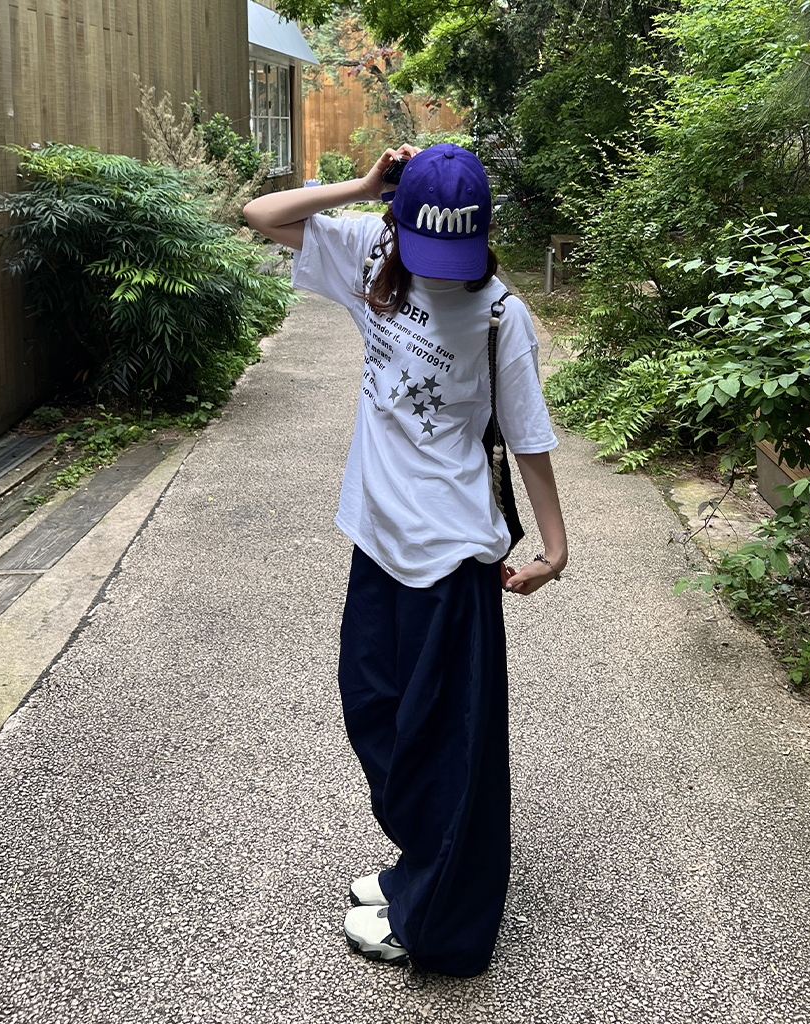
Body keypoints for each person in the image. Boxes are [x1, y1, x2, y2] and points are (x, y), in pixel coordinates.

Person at [243, 143, 568, 978]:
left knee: (448, 753)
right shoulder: (373, 255)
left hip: (452, 560)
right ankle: (417, 869)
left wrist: (556, 548)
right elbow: (260, 215)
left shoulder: (500, 315)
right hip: (377, 542)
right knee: (377, 715)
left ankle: (439, 929)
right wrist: (363, 185)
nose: (441, 271)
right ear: (399, 220)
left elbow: (527, 438)